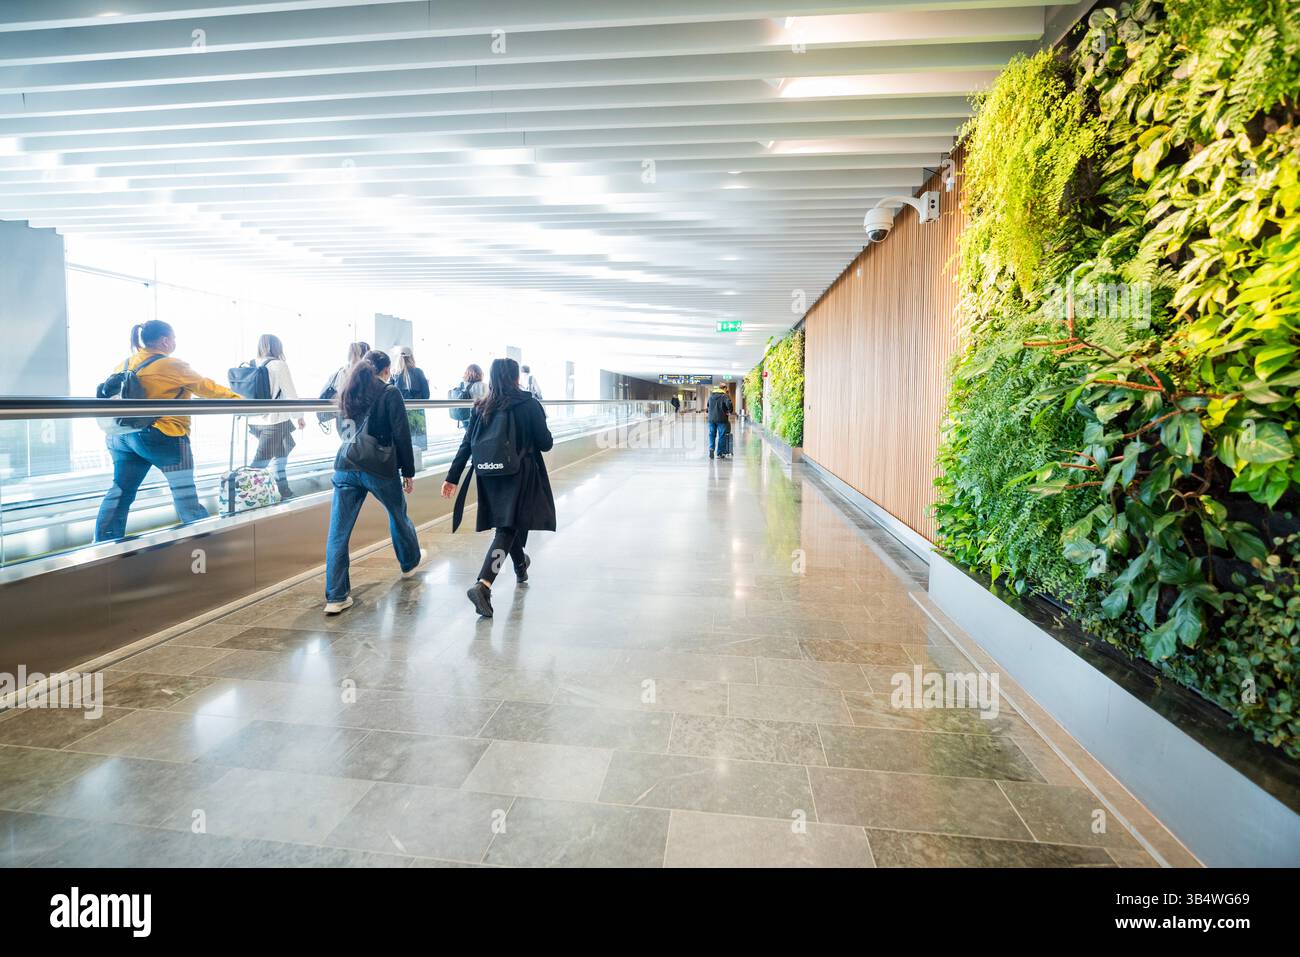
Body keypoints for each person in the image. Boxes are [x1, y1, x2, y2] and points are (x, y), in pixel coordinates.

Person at [94, 320, 241, 542]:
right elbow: (207, 388)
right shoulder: (171, 365)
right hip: (161, 436)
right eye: (173, 338)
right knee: (184, 493)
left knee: (121, 491)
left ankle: (103, 544)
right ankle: (205, 544)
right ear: (165, 340)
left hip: (120, 436)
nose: (174, 342)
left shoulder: (124, 364)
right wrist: (242, 402)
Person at [442, 357, 555, 618]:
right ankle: (484, 584)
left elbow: (467, 445)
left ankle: (520, 565)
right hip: (520, 473)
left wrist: (452, 477)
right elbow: (545, 443)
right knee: (508, 527)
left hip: (489, 475)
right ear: (516, 378)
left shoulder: (481, 407)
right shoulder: (529, 404)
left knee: (509, 522)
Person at [323, 350, 426, 614]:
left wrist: (355, 451)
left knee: (338, 532)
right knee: (397, 513)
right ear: (386, 370)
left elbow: (344, 431)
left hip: (346, 466)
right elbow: (402, 434)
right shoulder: (390, 393)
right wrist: (408, 472)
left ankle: (336, 597)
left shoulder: (349, 390)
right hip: (379, 467)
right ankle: (409, 562)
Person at [247, 333, 306, 501]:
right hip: (274, 421)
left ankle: (284, 491)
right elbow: (290, 394)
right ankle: (242, 497)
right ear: (277, 347)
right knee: (260, 463)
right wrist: (299, 416)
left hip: (255, 420)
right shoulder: (278, 365)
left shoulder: (251, 364)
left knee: (282, 451)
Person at [393, 345, 430, 452]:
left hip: (398, 412)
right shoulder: (418, 372)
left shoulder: (394, 374)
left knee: (402, 443)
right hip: (417, 412)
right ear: (411, 357)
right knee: (417, 445)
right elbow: (426, 396)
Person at [706, 385, 733, 459]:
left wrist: (709, 412)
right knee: (721, 435)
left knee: (712, 434)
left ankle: (711, 448)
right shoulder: (724, 396)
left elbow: (707, 406)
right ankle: (719, 453)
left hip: (711, 419)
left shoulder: (711, 396)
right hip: (722, 418)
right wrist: (729, 411)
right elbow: (729, 404)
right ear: (724, 388)